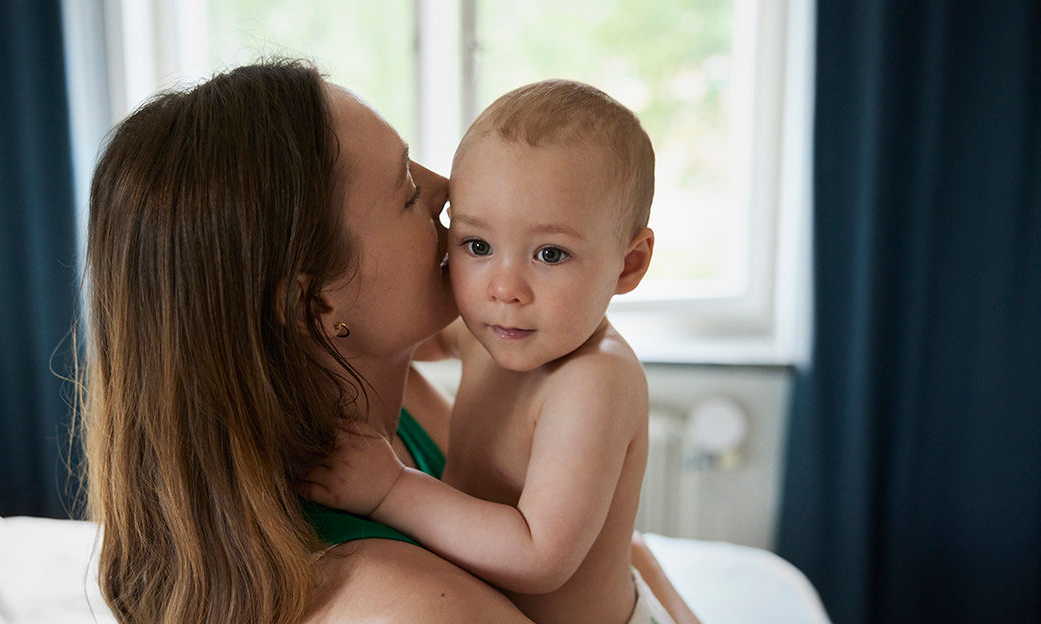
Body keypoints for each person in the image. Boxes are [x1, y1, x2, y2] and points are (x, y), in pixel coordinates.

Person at [80, 60, 696, 624]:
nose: (449, 190)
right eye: (405, 188)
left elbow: (613, 547)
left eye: (550, 251)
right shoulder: (416, 606)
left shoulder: (389, 403)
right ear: (315, 304)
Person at [302, 79, 675, 624]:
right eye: (477, 246)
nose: (504, 288)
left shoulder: (593, 380)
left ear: (629, 265)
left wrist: (392, 489)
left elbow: (537, 556)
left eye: (550, 253)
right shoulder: (498, 332)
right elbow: (392, 330)